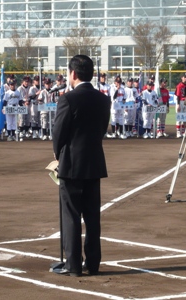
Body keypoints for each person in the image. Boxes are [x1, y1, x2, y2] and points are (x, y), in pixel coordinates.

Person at [52, 54, 110, 277]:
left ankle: (73, 265)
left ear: (73, 74)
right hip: (94, 162)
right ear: (92, 74)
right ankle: (93, 263)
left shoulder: (68, 99)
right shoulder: (103, 99)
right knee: (92, 216)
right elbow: (101, 129)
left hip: (71, 164)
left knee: (71, 215)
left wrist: (58, 155)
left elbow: (59, 134)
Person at [174, 73, 186, 138]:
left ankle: (183, 133)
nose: (185, 78)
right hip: (180, 101)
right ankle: (178, 133)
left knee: (185, 118)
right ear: (182, 78)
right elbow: (178, 96)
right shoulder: (179, 86)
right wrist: (178, 104)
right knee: (179, 117)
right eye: (184, 77)